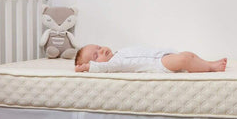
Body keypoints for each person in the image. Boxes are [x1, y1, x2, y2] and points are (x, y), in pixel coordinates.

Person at [74, 45, 227, 73]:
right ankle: (210, 68)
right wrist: (88, 68)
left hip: (160, 55)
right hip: (158, 65)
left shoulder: (120, 52)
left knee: (187, 54)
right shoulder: (114, 65)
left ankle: (207, 63)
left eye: (99, 47)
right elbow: (103, 68)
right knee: (183, 60)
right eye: (96, 55)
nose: (102, 50)